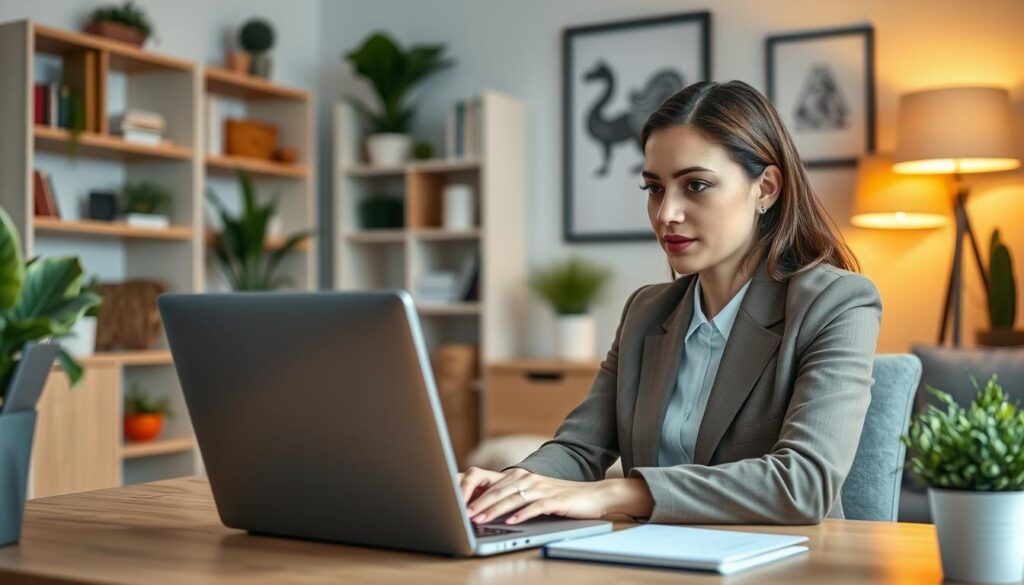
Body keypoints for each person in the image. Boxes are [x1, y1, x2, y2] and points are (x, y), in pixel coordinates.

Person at [458, 80, 882, 526]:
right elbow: (579, 448)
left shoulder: (837, 303)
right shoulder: (646, 312)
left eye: (695, 185)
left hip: (787, 565)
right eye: (655, 189)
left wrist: (614, 493)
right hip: (651, 562)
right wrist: (512, 487)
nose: (666, 214)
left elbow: (804, 484)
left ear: (767, 188)